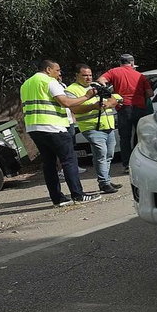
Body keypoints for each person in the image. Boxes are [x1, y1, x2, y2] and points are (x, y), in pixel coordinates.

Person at [21, 58, 97, 207]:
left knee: (49, 164)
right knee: (69, 160)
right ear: (48, 70)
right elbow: (66, 102)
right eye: (57, 70)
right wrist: (87, 96)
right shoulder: (49, 81)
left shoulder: (26, 84)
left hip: (34, 128)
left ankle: (57, 199)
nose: (59, 73)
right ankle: (78, 194)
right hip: (54, 127)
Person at [67, 65, 122, 194]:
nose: (88, 78)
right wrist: (93, 106)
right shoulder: (71, 90)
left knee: (109, 154)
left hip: (107, 125)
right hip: (91, 127)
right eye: (85, 75)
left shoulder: (96, 86)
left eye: (90, 75)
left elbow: (116, 97)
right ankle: (104, 183)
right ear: (76, 76)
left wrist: (109, 103)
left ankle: (106, 180)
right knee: (101, 154)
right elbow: (74, 108)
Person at [100, 54, 149, 164]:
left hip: (123, 107)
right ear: (132, 63)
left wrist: (109, 95)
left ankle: (127, 163)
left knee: (125, 138)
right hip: (140, 107)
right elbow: (150, 93)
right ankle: (143, 161)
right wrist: (141, 97)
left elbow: (101, 80)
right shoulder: (140, 75)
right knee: (142, 136)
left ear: (121, 63)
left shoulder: (114, 72)